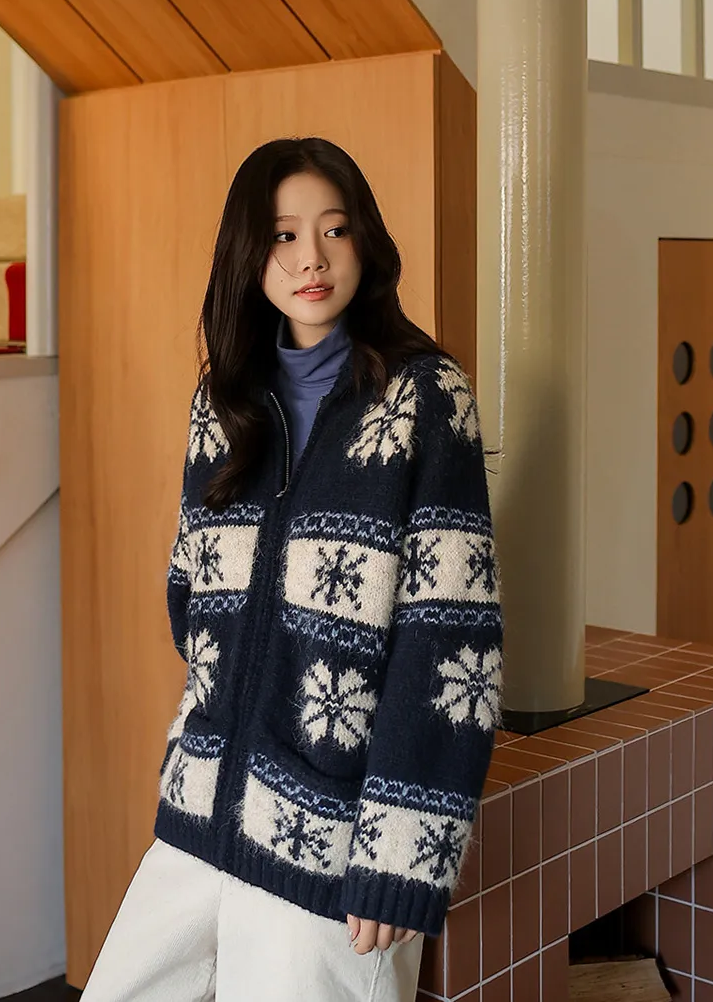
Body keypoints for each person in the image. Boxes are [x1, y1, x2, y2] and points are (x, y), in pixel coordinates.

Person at [80, 137, 503, 1002]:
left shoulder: (425, 398)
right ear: (251, 251)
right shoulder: (223, 402)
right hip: (201, 815)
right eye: (283, 235)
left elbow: (451, 640)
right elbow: (192, 597)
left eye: (335, 230)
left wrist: (400, 853)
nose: (312, 257)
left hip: (332, 842)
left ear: (365, 241)